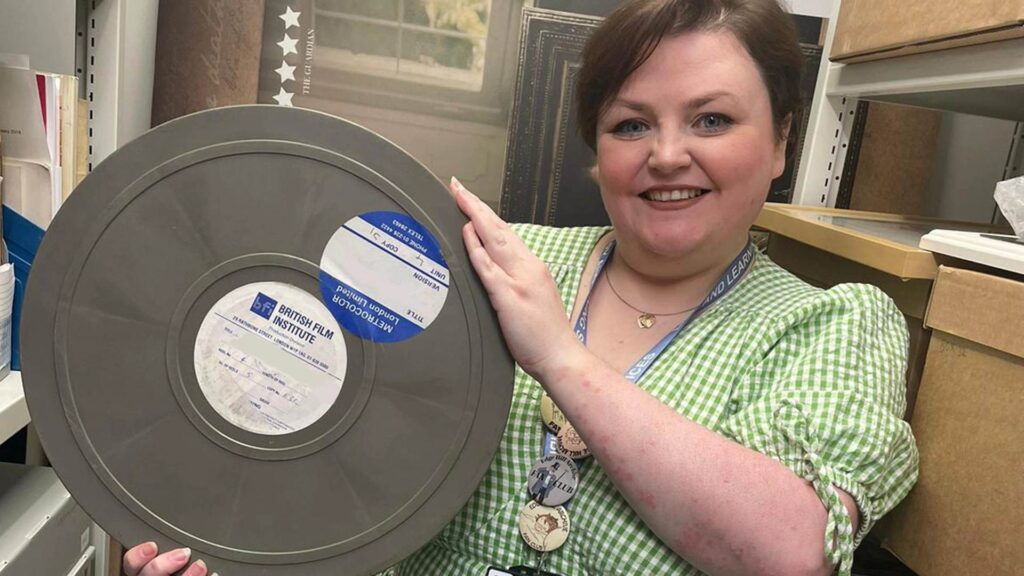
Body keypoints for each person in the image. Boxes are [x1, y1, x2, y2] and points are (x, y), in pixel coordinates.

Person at [123, 1, 918, 575]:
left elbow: (788, 555)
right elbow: (324, 444)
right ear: (597, 151)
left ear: (781, 140)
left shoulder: (829, 323)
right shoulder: (494, 261)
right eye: (631, 125)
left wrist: (562, 360)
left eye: (711, 120)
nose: (667, 155)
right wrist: (220, 547)